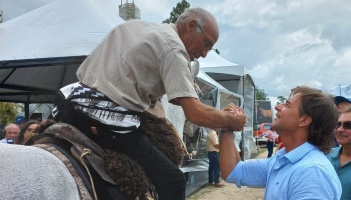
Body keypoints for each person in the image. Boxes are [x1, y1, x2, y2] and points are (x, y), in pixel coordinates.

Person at [52, 8, 246, 200]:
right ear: (191, 25)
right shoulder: (174, 51)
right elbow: (195, 114)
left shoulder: (135, 27)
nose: (204, 53)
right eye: (206, 44)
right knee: (174, 180)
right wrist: (231, 121)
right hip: (105, 119)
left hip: (67, 103)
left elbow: (177, 97)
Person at [220, 86, 342, 199]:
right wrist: (227, 128)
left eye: (287, 105)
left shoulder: (312, 172)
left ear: (304, 120)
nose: (278, 107)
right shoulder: (283, 161)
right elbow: (233, 172)